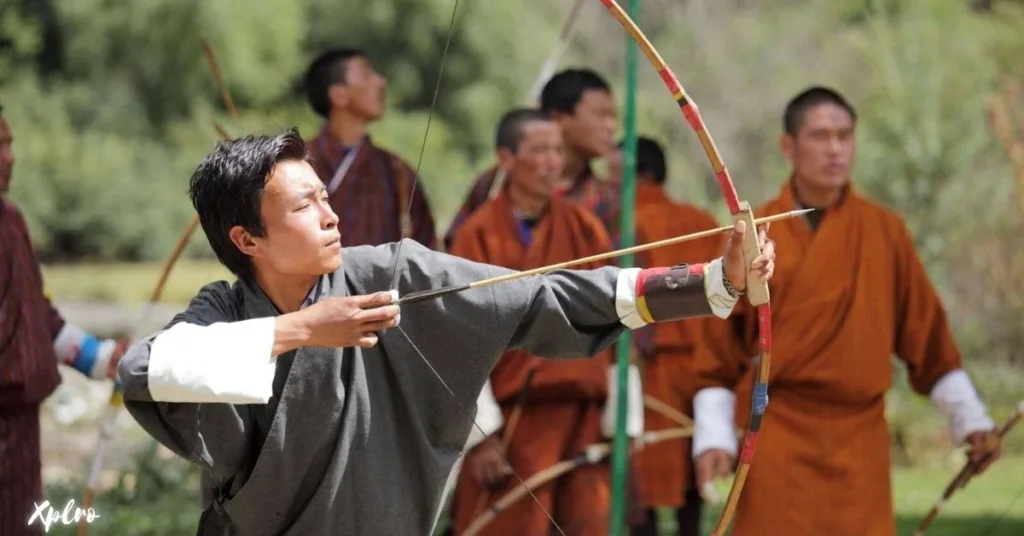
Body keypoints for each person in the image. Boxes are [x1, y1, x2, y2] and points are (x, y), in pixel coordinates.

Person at [116, 127, 776, 535]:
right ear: (247, 238)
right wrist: (302, 330)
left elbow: (538, 292)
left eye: (324, 194)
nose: (329, 213)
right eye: (303, 204)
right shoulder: (224, 311)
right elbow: (145, 371)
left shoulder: (389, 275)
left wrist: (714, 282)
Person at [691, 86, 1002, 536]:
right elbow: (716, 353)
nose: (835, 149)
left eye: (844, 136)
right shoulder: (755, 236)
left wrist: (970, 421)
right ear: (788, 146)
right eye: (820, 136)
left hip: (860, 441)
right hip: (780, 436)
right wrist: (714, 437)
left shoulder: (885, 231)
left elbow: (929, 342)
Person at [446, 108, 639, 535]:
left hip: (585, 415)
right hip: (515, 421)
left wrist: (624, 418)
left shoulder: (583, 226)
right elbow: (459, 338)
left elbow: (617, 315)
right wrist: (480, 436)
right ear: (507, 159)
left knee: (589, 521)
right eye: (539, 151)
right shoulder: (476, 234)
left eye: (557, 150)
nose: (553, 161)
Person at [0, 104, 127, 536]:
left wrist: (102, 357)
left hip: (18, 425)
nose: (10, 157)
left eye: (10, 144)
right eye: (0, 146)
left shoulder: (11, 220)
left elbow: (37, 314)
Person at [621, 137, 723, 536]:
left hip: (652, 365)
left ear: (640, 174)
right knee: (692, 465)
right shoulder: (703, 219)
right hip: (704, 364)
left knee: (643, 471)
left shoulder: (628, 221)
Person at [443, 68, 619, 250]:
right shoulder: (496, 181)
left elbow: (617, 271)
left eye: (613, 117)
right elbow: (455, 254)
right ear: (558, 119)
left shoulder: (605, 200)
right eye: (600, 115)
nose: (611, 127)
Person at [303, 48, 437, 248]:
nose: (381, 82)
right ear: (339, 95)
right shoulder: (295, 164)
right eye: (367, 74)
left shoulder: (397, 172)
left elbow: (425, 252)